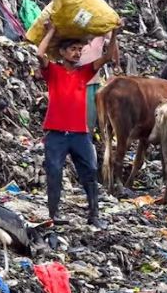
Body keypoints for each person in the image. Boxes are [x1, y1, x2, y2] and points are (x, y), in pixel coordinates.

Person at [36, 20, 119, 228]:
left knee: (90, 171)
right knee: (54, 173)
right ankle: (53, 216)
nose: (77, 53)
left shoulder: (85, 73)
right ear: (62, 52)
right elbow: (39, 55)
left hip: (80, 134)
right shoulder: (53, 72)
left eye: (80, 49)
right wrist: (52, 31)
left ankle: (94, 215)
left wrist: (115, 34)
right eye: (73, 49)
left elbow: (108, 57)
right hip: (56, 134)